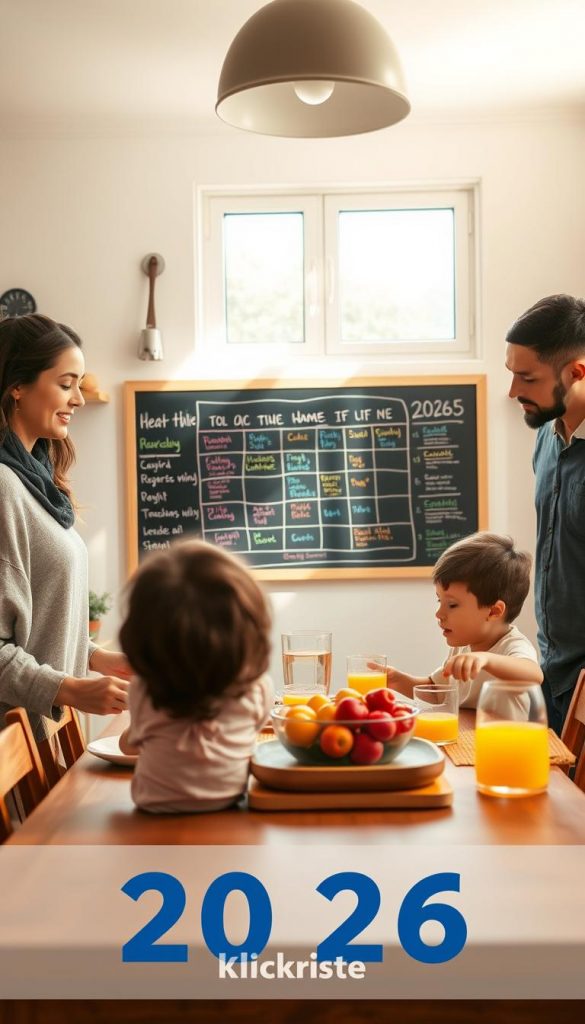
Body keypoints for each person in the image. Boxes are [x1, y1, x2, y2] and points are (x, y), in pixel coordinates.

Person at [0, 314, 130, 742]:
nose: (78, 399)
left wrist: (95, 658)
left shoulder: (34, 481)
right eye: (65, 383)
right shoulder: (4, 487)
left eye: (80, 384)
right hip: (16, 753)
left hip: (47, 742)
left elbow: (37, 625)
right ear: (17, 385)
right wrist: (70, 688)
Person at [118, 539, 273, 813]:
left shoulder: (142, 690)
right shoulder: (256, 688)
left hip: (152, 818)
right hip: (230, 815)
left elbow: (130, 746)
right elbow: (254, 733)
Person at [505, 293, 585, 734]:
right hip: (553, 675)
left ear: (577, 373)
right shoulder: (545, 441)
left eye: (527, 378)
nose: (513, 391)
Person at [383, 532, 542, 704]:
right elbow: (438, 693)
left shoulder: (512, 645)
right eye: (439, 600)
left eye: (452, 605)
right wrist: (396, 680)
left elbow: (534, 676)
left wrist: (485, 659)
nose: (438, 614)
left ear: (493, 611)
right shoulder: (463, 646)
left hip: (505, 732)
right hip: (467, 731)